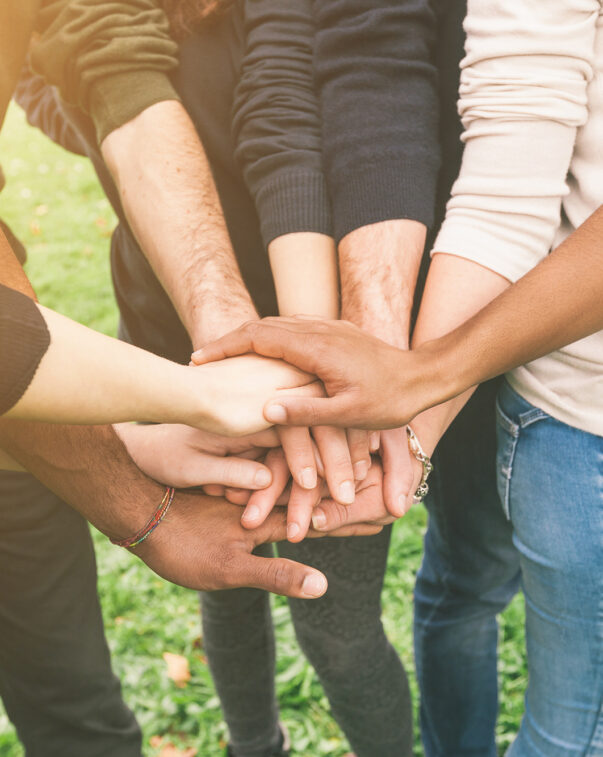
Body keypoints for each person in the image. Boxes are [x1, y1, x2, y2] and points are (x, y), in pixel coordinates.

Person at [200, 1, 603, 754]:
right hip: (529, 362)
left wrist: (406, 385)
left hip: (476, 327)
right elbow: (494, 178)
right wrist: (393, 407)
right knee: (472, 596)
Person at [0, 3, 341, 755]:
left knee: (78, 714)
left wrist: (221, 332)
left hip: (21, 410)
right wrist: (191, 396)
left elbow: (110, 61)